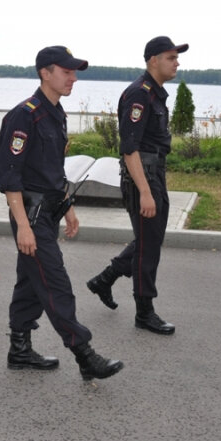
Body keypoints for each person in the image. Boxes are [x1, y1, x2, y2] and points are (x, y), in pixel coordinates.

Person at [0, 45, 124, 380]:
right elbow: (9, 177)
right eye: (66, 72)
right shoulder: (25, 115)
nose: (73, 78)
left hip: (48, 213)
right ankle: (85, 354)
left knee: (30, 282)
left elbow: (53, 171)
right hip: (31, 216)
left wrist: (68, 208)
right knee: (55, 284)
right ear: (45, 73)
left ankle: (19, 349)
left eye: (74, 72)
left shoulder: (56, 113)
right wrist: (22, 225)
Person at [86, 36, 188, 335]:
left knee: (150, 240)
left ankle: (104, 279)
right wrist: (144, 191)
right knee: (148, 248)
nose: (177, 62)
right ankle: (144, 312)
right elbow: (129, 149)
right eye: (171, 57)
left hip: (155, 173)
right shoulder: (138, 95)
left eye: (176, 57)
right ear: (153, 60)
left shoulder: (156, 94)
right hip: (141, 177)